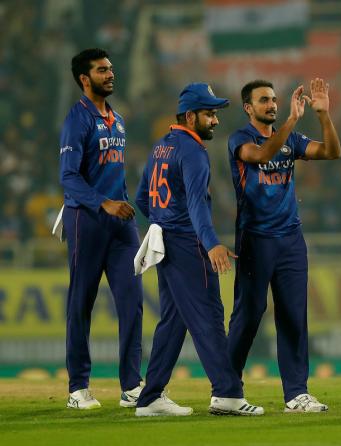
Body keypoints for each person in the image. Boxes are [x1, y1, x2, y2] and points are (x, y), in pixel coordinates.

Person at [134, 83, 263, 417]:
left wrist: (163, 221)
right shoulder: (192, 151)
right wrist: (211, 244)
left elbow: (140, 200)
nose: (215, 121)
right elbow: (196, 204)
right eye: (209, 114)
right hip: (188, 243)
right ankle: (228, 393)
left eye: (216, 114)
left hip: (166, 241)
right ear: (190, 116)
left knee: (174, 321)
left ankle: (150, 397)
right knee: (208, 315)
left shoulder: (161, 146)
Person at [226, 78, 341, 412]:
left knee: (293, 315)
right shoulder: (240, 139)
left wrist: (322, 115)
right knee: (248, 315)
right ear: (248, 108)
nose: (272, 105)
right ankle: (227, 388)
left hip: (290, 238)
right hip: (255, 238)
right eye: (264, 100)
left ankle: (296, 393)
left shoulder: (290, 138)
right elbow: (262, 156)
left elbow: (333, 151)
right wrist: (291, 119)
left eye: (274, 100)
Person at [59, 48, 143, 410]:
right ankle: (79, 387)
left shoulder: (118, 119)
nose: (110, 74)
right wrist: (103, 203)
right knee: (82, 304)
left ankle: (132, 386)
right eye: (102, 70)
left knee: (133, 302)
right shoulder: (77, 120)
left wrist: (122, 203)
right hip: (87, 220)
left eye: (111, 68)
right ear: (84, 78)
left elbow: (115, 172)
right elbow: (68, 178)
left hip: (121, 225)